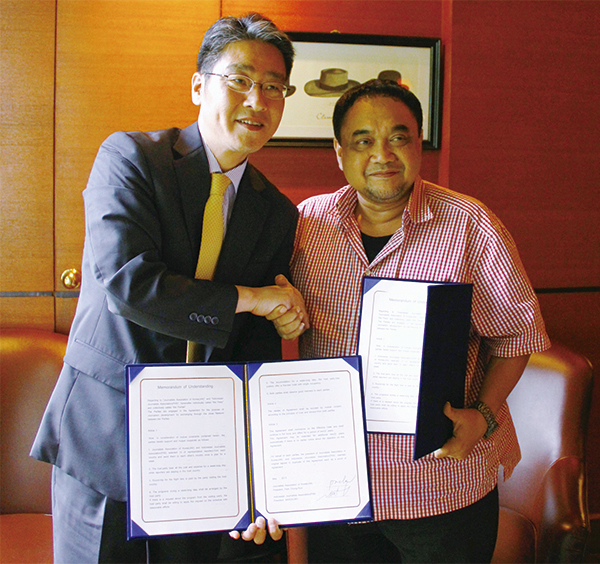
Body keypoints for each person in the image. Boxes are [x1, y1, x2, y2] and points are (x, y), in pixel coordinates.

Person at [31, 13, 307, 564]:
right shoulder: (130, 158)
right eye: (240, 80)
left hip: (202, 453)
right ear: (199, 85)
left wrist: (261, 473)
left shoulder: (275, 211)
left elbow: (252, 349)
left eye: (274, 87)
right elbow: (127, 283)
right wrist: (251, 298)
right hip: (108, 436)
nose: (258, 100)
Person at [273, 79, 550, 563]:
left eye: (398, 138)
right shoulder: (306, 226)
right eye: (363, 140)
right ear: (339, 152)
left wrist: (483, 416)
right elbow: (273, 310)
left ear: (418, 143)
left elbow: (516, 337)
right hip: (337, 485)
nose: (382, 155)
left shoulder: (470, 225)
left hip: (441, 485)